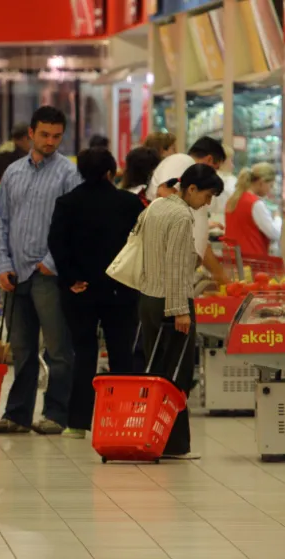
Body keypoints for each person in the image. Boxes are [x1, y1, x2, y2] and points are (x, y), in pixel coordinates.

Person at [0, 105, 81, 435]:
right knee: (22, 349)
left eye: (56, 136)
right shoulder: (12, 173)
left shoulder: (69, 175)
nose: (50, 141)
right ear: (30, 133)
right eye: (44, 134)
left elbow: (75, 227)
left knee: (57, 349)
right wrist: (2, 264)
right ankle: (17, 414)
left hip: (48, 274)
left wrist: (52, 261)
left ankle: (56, 414)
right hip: (15, 275)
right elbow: (0, 224)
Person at [47, 148, 144, 439]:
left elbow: (57, 244)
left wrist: (71, 278)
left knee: (84, 353)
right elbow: (139, 244)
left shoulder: (67, 203)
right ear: (111, 172)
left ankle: (78, 422)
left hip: (81, 291)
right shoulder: (129, 204)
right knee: (121, 354)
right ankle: (123, 417)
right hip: (120, 289)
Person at [138, 163, 225, 460]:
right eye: (208, 195)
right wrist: (180, 311)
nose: (208, 203)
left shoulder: (157, 207)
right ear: (191, 189)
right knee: (177, 374)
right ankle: (174, 444)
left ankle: (153, 437)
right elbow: (176, 268)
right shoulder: (180, 216)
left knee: (157, 373)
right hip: (171, 301)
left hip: (148, 298)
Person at [148, 136, 229, 285]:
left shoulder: (189, 179)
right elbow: (163, 192)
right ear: (210, 160)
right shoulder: (183, 161)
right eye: (215, 170)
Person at [224, 162, 280, 257]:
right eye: (270, 185)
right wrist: (278, 218)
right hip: (253, 260)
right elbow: (274, 233)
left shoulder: (233, 199)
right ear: (261, 182)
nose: (270, 190)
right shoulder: (255, 204)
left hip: (232, 257)